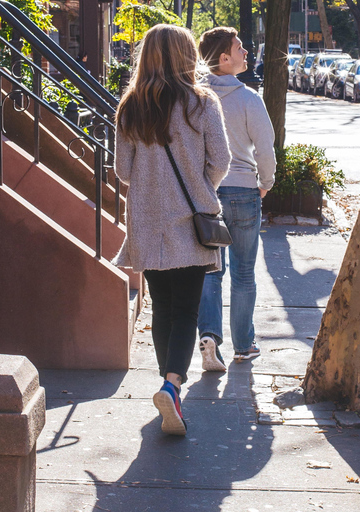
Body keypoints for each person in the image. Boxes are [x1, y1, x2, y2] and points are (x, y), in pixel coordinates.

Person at [113, 24, 232, 435]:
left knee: (163, 308)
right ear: (186, 55)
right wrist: (200, 187)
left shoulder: (131, 106)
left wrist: (152, 182)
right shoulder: (201, 102)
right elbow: (221, 159)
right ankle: (172, 385)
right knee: (187, 310)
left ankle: (169, 386)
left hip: (146, 220)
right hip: (190, 219)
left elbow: (122, 171)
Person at [196, 27, 276, 369]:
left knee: (211, 270)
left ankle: (210, 337)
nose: (246, 51)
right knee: (244, 273)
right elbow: (266, 148)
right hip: (244, 190)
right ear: (224, 58)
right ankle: (244, 344)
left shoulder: (195, 98)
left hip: (207, 191)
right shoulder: (248, 98)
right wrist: (266, 183)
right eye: (240, 47)